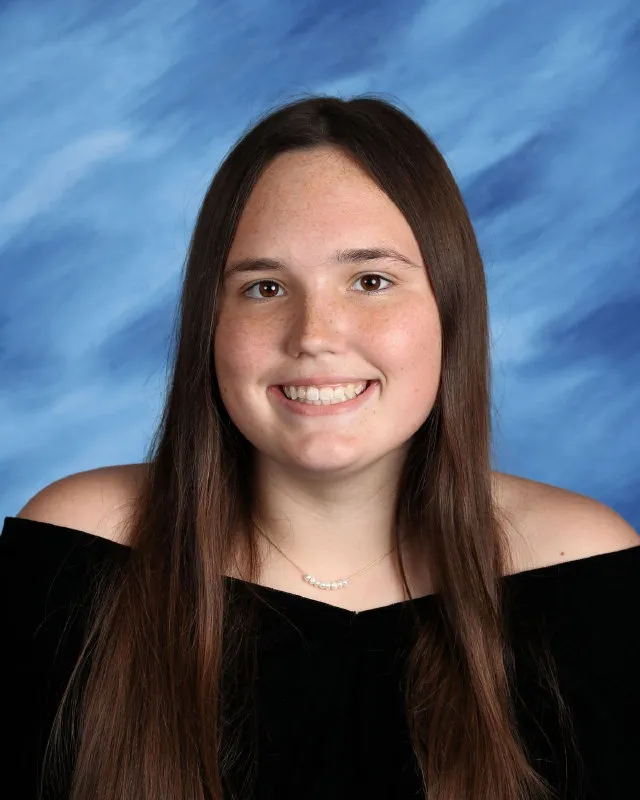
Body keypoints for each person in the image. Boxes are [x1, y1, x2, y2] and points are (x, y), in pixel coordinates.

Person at [1, 94, 639, 800]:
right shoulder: (80, 551)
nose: (313, 334)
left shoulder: (585, 571)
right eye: (265, 286)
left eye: (370, 281)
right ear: (209, 325)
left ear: (451, 310)